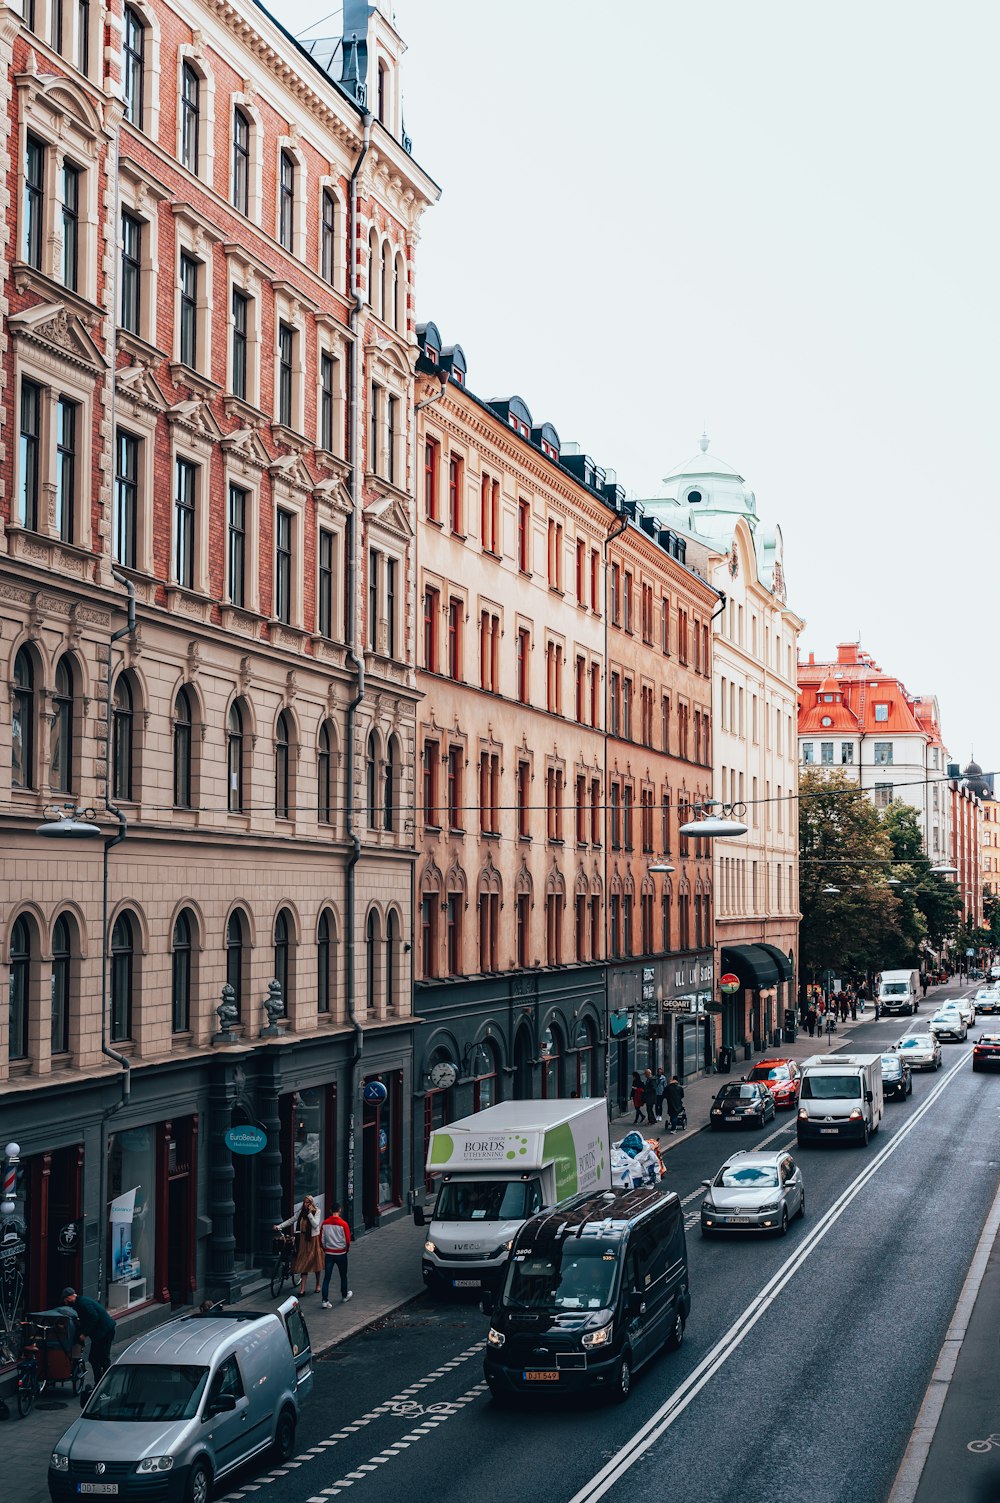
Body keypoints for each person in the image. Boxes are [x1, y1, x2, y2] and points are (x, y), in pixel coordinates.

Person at [62, 1287, 115, 1385]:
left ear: (70, 1297)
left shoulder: (83, 1303)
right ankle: (104, 1381)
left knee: (97, 1358)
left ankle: (102, 1382)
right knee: (101, 1358)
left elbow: (94, 1317)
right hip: (103, 1331)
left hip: (105, 1332)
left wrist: (84, 1334)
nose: (66, 1302)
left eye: (66, 1300)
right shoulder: (80, 1302)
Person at [275, 1193, 323, 1294]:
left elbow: (315, 1224)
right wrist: (280, 1226)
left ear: (311, 1203)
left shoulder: (317, 1211)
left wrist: (309, 1213)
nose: (306, 1204)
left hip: (313, 1239)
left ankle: (318, 1284)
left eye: (308, 1203)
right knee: (303, 1262)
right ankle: (302, 1289)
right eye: (305, 1202)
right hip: (302, 1239)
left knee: (315, 1262)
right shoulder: (301, 1212)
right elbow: (291, 1220)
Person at [320, 1201, 353, 1308]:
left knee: (327, 1278)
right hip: (341, 1253)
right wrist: (346, 1249)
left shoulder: (325, 1223)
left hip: (329, 1253)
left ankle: (324, 1300)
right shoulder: (344, 1224)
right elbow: (347, 1240)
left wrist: (325, 1248)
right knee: (343, 1275)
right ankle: (344, 1296)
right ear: (340, 1210)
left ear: (330, 1211)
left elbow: (322, 1239)